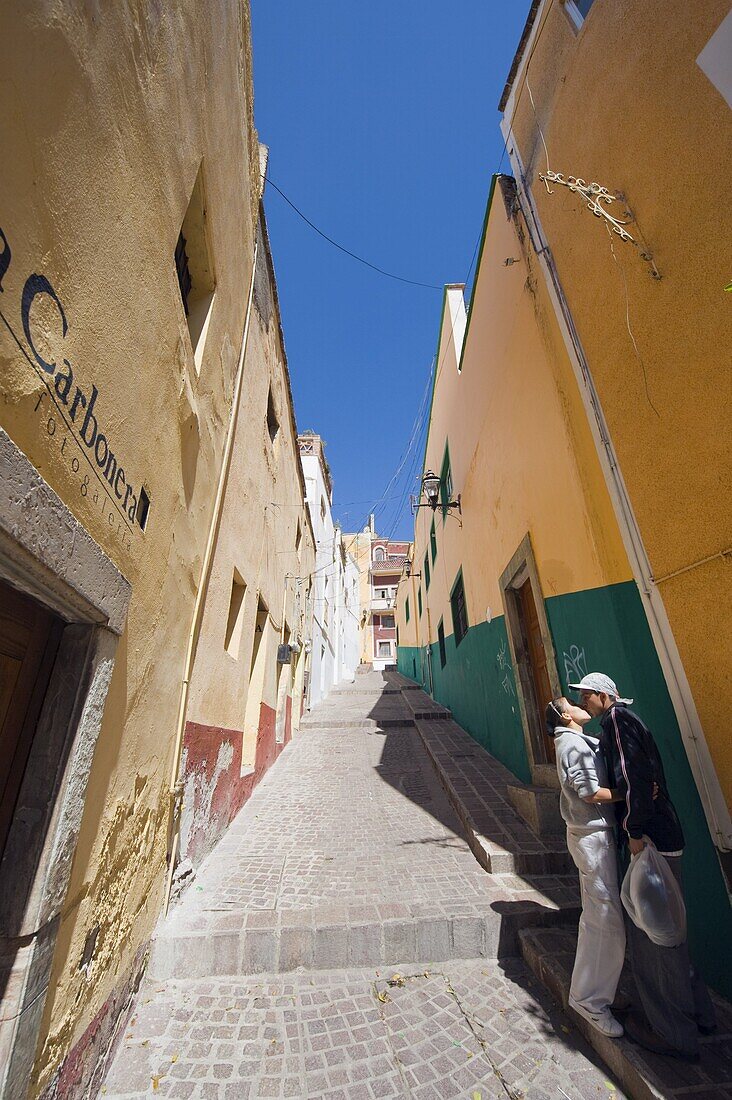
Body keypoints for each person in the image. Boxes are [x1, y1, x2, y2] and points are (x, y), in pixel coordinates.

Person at [569, 672, 716, 1061]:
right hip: (664, 838)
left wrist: (634, 829)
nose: (583, 702)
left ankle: (672, 1032)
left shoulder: (617, 721)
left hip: (649, 841)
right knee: (671, 931)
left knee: (653, 941)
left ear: (604, 696)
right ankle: (702, 1016)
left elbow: (635, 778)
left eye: (586, 696)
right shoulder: (625, 723)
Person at [545, 696, 626, 1037]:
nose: (580, 705)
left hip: (591, 835)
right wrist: (629, 792)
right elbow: (590, 792)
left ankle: (595, 991)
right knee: (604, 920)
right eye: (571, 702)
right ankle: (589, 1000)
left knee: (599, 916)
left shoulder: (573, 742)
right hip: (591, 837)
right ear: (566, 716)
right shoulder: (571, 746)